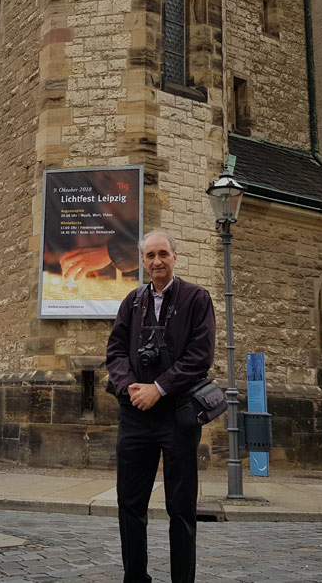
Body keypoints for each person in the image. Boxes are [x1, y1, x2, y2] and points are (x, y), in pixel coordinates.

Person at [106, 230, 216, 583]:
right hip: (135, 415)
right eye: (150, 255)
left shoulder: (197, 298)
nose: (157, 261)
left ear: (175, 257)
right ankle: (135, 578)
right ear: (143, 261)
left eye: (163, 254)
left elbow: (200, 357)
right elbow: (116, 352)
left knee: (181, 509)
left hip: (177, 415)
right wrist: (130, 387)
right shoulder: (132, 302)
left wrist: (159, 388)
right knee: (130, 505)